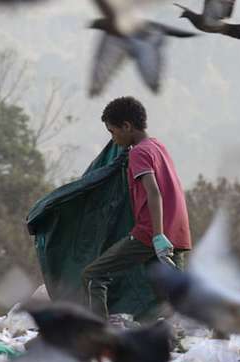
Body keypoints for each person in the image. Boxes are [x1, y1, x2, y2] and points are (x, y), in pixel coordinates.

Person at [82, 96, 191, 319]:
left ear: (127, 126)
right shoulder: (157, 146)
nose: (112, 139)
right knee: (173, 294)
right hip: (177, 231)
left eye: (112, 131)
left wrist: (158, 236)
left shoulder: (138, 153)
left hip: (150, 233)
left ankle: (101, 333)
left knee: (94, 274)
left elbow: (153, 192)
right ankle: (178, 340)